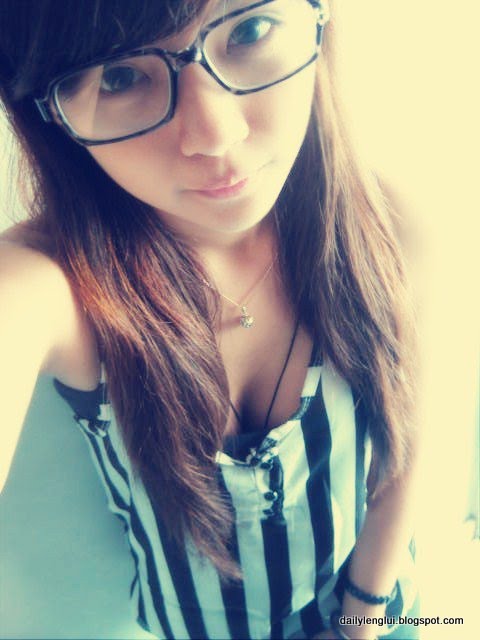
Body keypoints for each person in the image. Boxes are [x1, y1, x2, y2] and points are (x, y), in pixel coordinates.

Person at [0, 1, 420, 638]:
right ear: (52, 115)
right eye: (119, 76)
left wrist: (362, 618)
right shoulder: (53, 283)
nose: (215, 134)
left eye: (249, 30)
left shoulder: (395, 229)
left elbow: (411, 451)